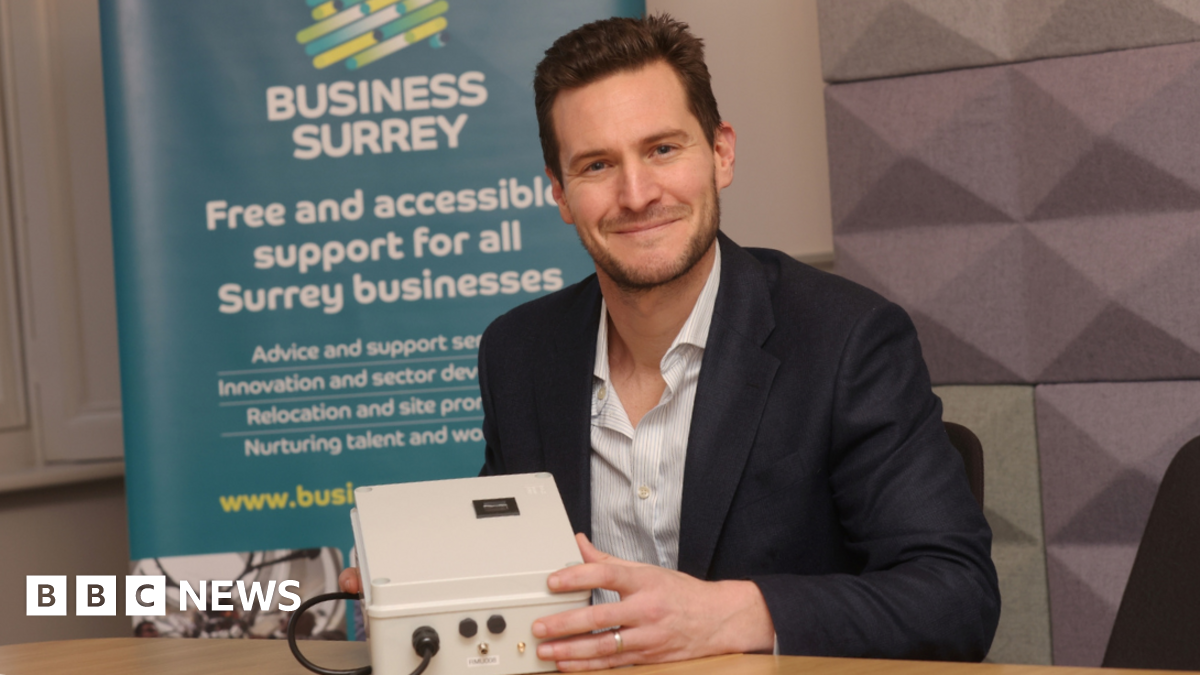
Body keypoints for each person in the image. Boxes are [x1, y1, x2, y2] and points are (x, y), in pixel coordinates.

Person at [341, 14, 1000, 670]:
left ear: (721, 154)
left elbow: (954, 597)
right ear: (560, 193)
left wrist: (734, 615)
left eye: (662, 149)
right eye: (597, 164)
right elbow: (514, 557)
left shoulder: (846, 340)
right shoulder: (518, 352)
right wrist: (420, 590)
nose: (636, 194)